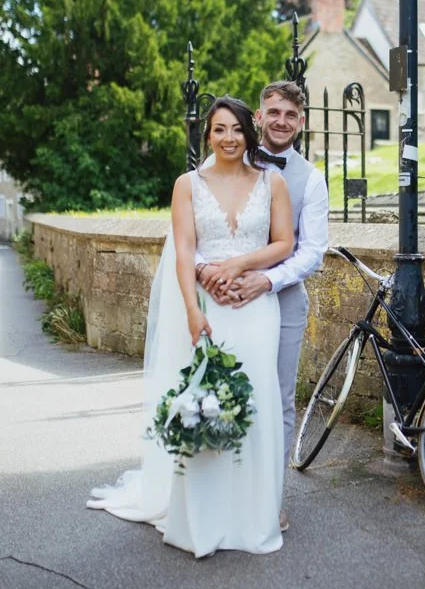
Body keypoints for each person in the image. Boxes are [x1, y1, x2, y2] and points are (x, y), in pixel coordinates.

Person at [88, 96, 294, 557]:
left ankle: (253, 517)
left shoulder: (272, 182)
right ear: (208, 136)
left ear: (250, 133)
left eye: (237, 129)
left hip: (258, 310)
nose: (228, 138)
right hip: (208, 309)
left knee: (255, 402)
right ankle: (202, 518)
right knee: (204, 403)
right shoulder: (187, 185)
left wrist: (239, 263)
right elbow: (184, 251)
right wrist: (191, 309)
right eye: (219, 130)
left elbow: (285, 242)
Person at [197, 81, 330, 533]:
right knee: (217, 393)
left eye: (290, 115)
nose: (281, 122)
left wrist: (266, 280)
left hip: (283, 302)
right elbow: (191, 232)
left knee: (277, 401)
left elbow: (312, 251)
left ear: (301, 122)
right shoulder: (224, 155)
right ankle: (217, 493)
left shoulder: (311, 179)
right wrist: (206, 274)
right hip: (218, 297)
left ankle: (269, 500)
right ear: (259, 115)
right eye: (274, 112)